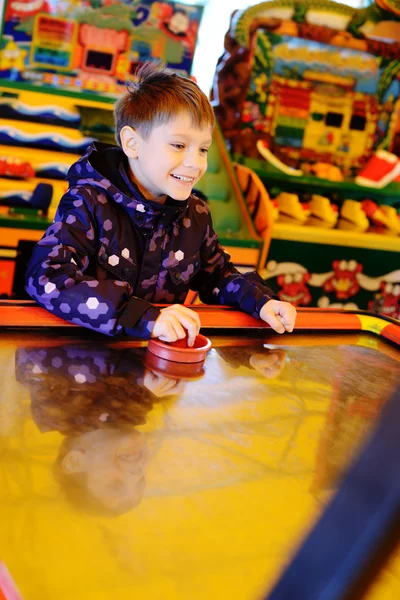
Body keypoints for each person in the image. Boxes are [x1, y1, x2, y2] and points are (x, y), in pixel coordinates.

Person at [26, 62, 296, 346]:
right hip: (79, 361)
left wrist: (262, 302)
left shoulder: (196, 215)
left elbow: (218, 275)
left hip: (153, 367)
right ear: (132, 143)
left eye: (203, 149)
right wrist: (142, 317)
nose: (195, 163)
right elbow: (47, 277)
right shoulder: (89, 202)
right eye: (178, 145)